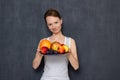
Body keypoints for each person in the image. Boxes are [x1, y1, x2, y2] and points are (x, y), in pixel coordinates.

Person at [32, 8, 79, 80]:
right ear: (47, 25)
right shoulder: (44, 42)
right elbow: (35, 66)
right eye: (50, 24)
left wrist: (68, 53)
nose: (54, 27)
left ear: (61, 21)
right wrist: (39, 54)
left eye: (56, 22)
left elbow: (76, 67)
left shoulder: (70, 41)